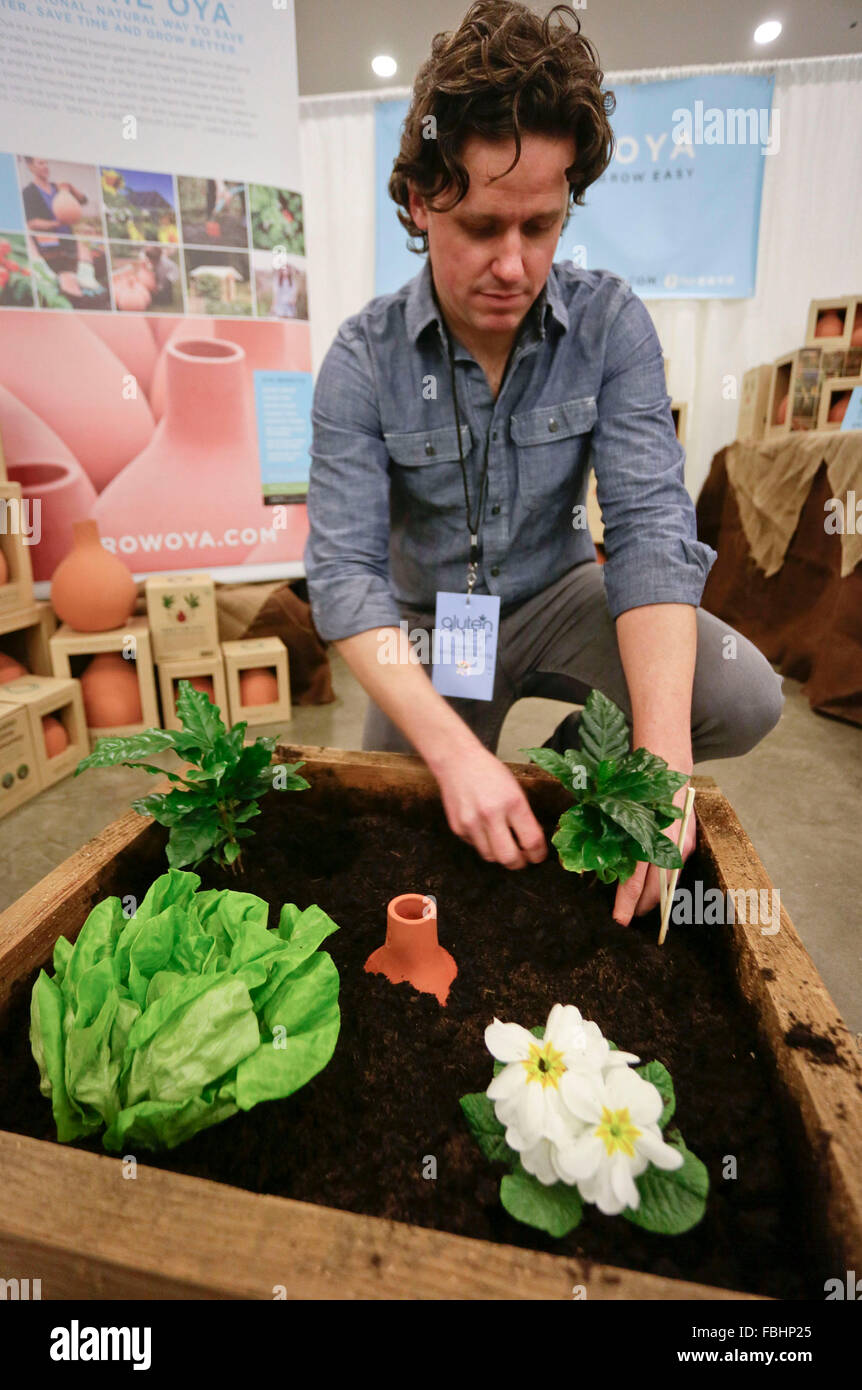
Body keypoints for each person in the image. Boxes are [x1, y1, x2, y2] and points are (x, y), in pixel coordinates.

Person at [304, 1, 783, 925]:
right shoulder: (363, 360)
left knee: (740, 693)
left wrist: (656, 762)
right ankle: (482, 768)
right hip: (433, 625)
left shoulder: (609, 325)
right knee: (399, 833)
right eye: (483, 226)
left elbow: (648, 530)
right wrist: (452, 753)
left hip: (562, 596)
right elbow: (345, 580)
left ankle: (566, 771)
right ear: (418, 200)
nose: (514, 266)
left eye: (542, 226)